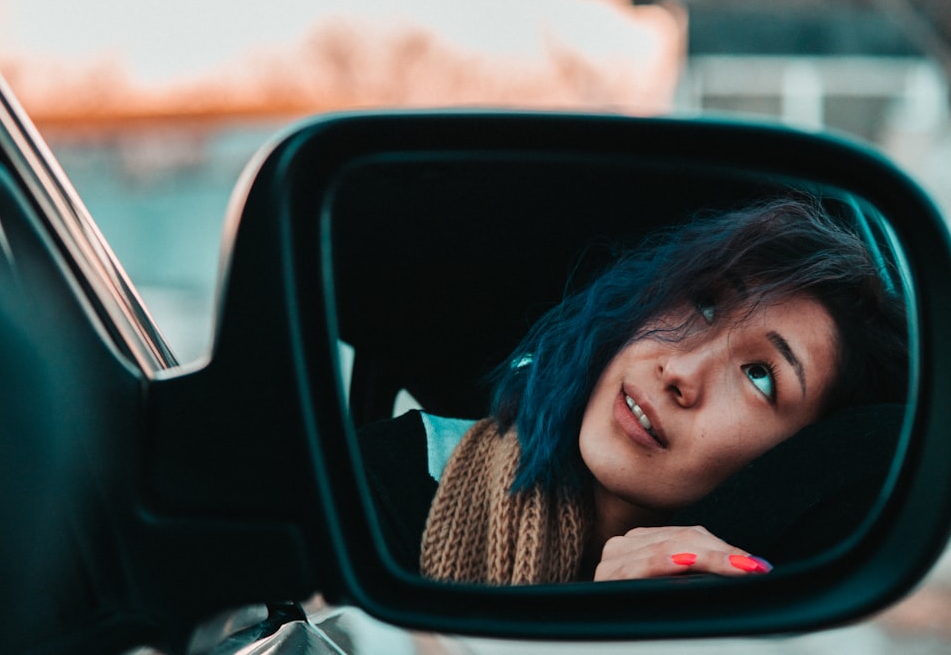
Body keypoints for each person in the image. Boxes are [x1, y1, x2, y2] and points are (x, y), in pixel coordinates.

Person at [357, 197, 908, 585]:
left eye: (760, 375)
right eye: (704, 303)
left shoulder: (749, 611)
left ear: (794, 459)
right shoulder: (383, 481)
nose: (681, 371)